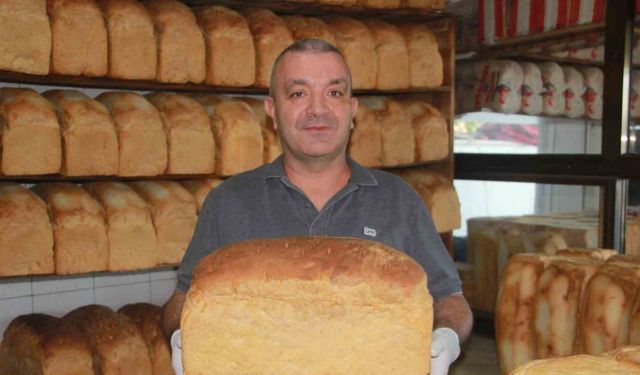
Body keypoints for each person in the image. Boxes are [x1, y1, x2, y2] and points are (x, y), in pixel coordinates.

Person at [164, 38, 473, 375]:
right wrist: (182, 334)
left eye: (334, 93)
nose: (318, 109)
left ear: (352, 111)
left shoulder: (399, 200)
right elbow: (184, 298)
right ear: (273, 112)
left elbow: (450, 300)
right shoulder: (229, 201)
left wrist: (445, 337)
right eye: (298, 93)